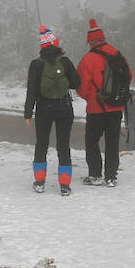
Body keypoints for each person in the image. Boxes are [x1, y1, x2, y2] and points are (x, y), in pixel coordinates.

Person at [24, 25, 80, 196]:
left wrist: (28, 113)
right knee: (63, 146)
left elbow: (32, 90)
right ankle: (64, 185)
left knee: (41, 144)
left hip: (43, 109)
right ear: (56, 44)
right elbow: (76, 83)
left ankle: (40, 183)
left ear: (42, 47)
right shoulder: (65, 61)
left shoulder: (36, 64)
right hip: (64, 108)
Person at [76, 18, 127, 187]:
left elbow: (81, 85)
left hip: (96, 108)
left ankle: (95, 175)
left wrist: (91, 98)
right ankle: (111, 177)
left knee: (92, 141)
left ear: (90, 41)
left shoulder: (88, 59)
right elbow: (129, 76)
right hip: (116, 106)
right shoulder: (117, 54)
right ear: (103, 38)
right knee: (112, 142)